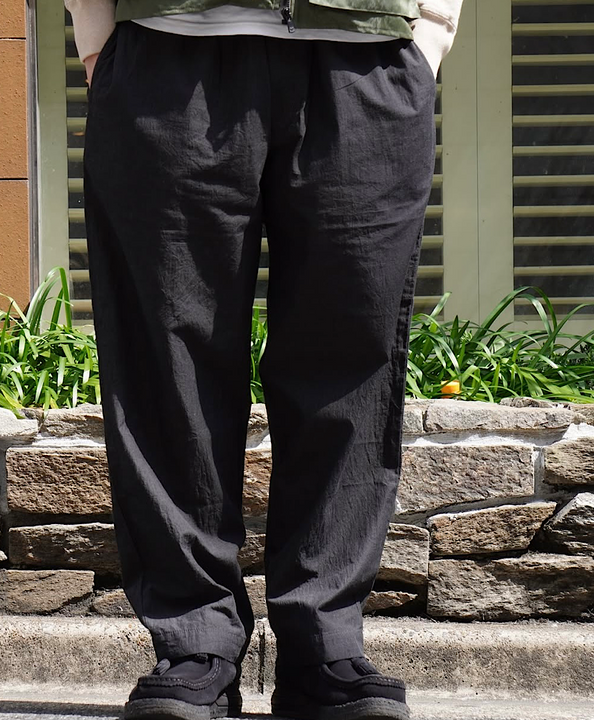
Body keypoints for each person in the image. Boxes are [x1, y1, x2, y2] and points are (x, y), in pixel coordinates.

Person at [64, 1, 463, 719]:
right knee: (166, 363)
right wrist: (98, 35)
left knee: (351, 359)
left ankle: (324, 646)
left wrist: (432, 28)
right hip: (169, 48)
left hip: (365, 55)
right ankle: (194, 645)